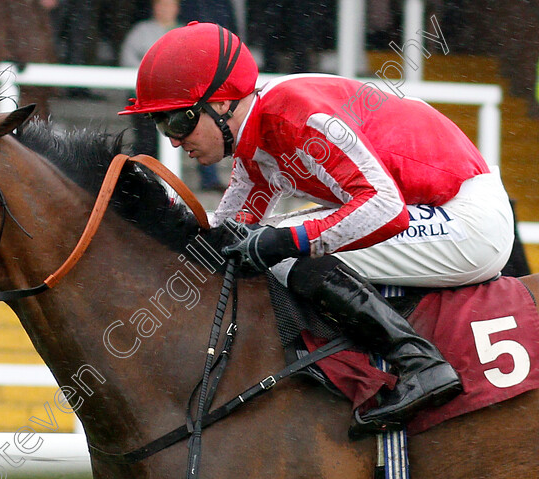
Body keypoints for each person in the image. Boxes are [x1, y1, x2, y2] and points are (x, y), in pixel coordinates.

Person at [119, 22, 515, 435]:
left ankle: (419, 363)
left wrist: (290, 240)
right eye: (163, 126)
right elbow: (225, 235)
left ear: (221, 105)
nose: (176, 141)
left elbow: (385, 209)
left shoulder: (293, 115)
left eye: (178, 122)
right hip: (432, 207)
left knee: (285, 245)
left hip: (469, 218)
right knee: (264, 241)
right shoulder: (259, 134)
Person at [119, 0, 180, 157]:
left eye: (169, 5)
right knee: (146, 142)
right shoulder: (140, 31)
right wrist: (151, 76)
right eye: (161, 5)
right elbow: (127, 58)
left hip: (177, 100)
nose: (164, 9)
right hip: (143, 98)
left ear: (176, 8)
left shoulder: (185, 32)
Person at [0, 0, 58, 120]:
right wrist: (8, 60)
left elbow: (46, 44)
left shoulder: (37, 8)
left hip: (36, 91)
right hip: (10, 88)